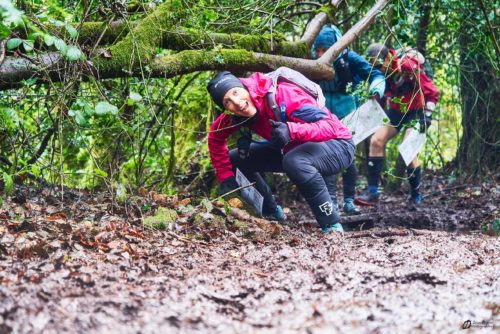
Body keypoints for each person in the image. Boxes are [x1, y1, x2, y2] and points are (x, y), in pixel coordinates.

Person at [207, 70, 354, 234]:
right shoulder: (236, 114)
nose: (237, 102)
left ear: (244, 87)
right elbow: (215, 138)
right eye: (227, 102)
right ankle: (272, 212)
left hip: (338, 145)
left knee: (295, 160)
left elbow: (330, 127)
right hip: (291, 149)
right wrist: (225, 177)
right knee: (236, 159)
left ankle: (331, 225)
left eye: (236, 92)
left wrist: (292, 130)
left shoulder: (283, 96)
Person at [312, 25, 386, 215]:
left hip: (347, 113)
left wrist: (376, 90)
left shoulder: (348, 58)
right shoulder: (310, 61)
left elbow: (375, 74)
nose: (321, 54)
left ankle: (348, 201)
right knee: (327, 158)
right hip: (321, 113)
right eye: (318, 50)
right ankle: (332, 204)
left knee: (348, 160)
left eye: (325, 50)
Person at [359, 43, 439, 206]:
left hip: (416, 109)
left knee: (408, 148)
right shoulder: (378, 74)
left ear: (388, 58)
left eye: (380, 65)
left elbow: (431, 91)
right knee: (376, 141)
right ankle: (372, 192)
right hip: (396, 109)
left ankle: (415, 196)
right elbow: (381, 97)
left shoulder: (408, 65)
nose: (378, 70)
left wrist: (427, 116)